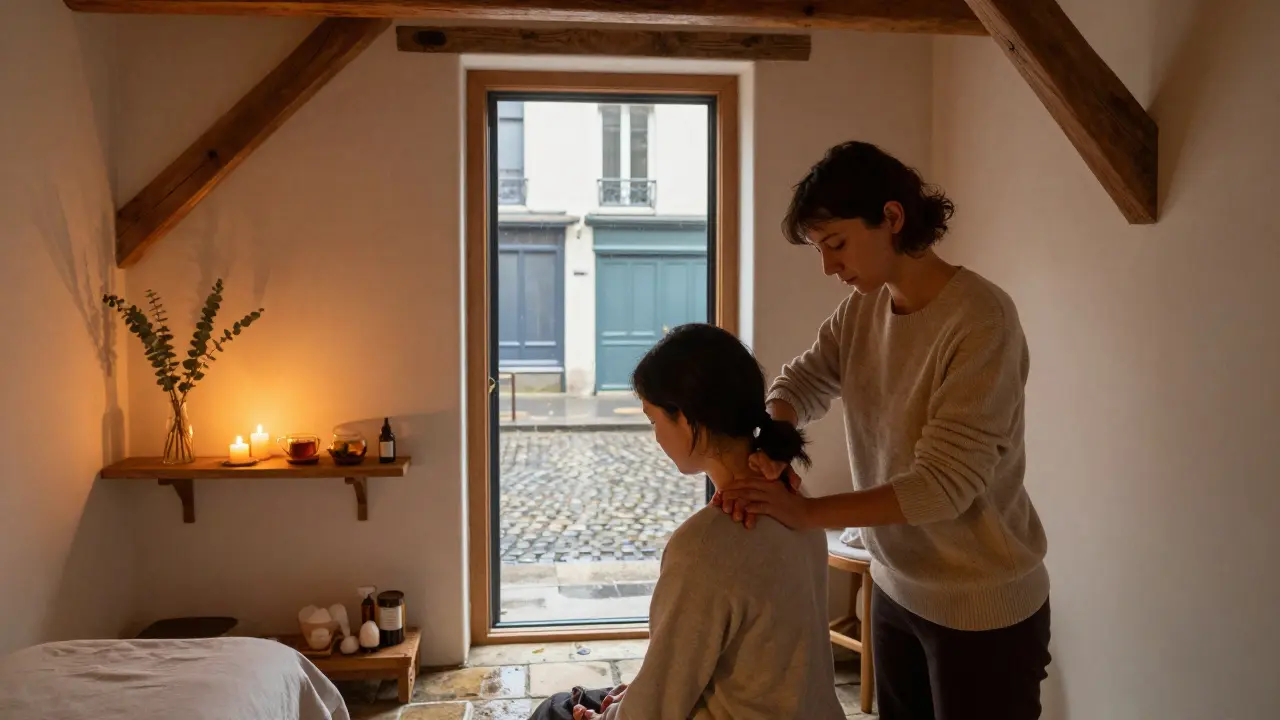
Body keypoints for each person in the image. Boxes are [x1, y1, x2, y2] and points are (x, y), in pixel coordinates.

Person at [718, 141, 1052, 719]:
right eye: (821, 250)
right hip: (896, 589)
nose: (829, 266)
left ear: (892, 218)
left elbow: (943, 485)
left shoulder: (981, 319)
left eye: (837, 244)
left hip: (982, 607)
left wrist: (806, 513)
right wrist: (774, 442)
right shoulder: (862, 310)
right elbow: (801, 383)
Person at [533, 323, 844, 720]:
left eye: (653, 420)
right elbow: (691, 668)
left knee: (555, 710)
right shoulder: (796, 503)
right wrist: (639, 692)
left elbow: (657, 709)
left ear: (686, 418)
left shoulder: (704, 545)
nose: (656, 437)